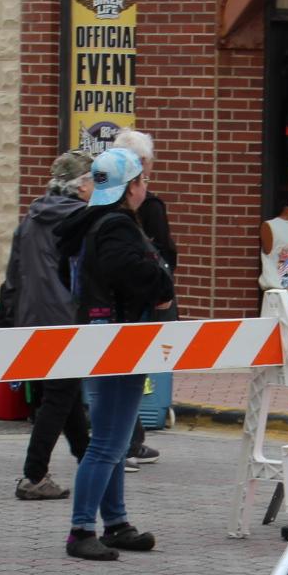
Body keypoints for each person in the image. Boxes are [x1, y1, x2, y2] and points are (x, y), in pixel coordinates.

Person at [57, 147, 171, 561]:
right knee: (107, 442)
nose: (146, 188)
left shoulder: (89, 222)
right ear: (129, 187)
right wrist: (161, 285)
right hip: (119, 339)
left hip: (102, 334)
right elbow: (131, 271)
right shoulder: (117, 226)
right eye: (142, 181)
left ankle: (117, 523)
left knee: (114, 441)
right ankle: (81, 530)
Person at [0, 149, 93, 501]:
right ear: (80, 186)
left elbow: (13, 275)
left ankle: (89, 459)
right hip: (67, 318)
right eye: (92, 181)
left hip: (32, 319)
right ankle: (34, 474)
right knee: (59, 394)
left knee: (64, 393)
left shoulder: (31, 219)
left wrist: (6, 320)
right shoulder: (82, 220)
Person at [112, 129, 168, 471]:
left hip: (109, 310)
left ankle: (124, 442)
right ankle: (126, 445)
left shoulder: (96, 212)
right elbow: (163, 255)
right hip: (136, 308)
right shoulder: (138, 213)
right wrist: (163, 290)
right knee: (129, 373)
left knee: (120, 376)